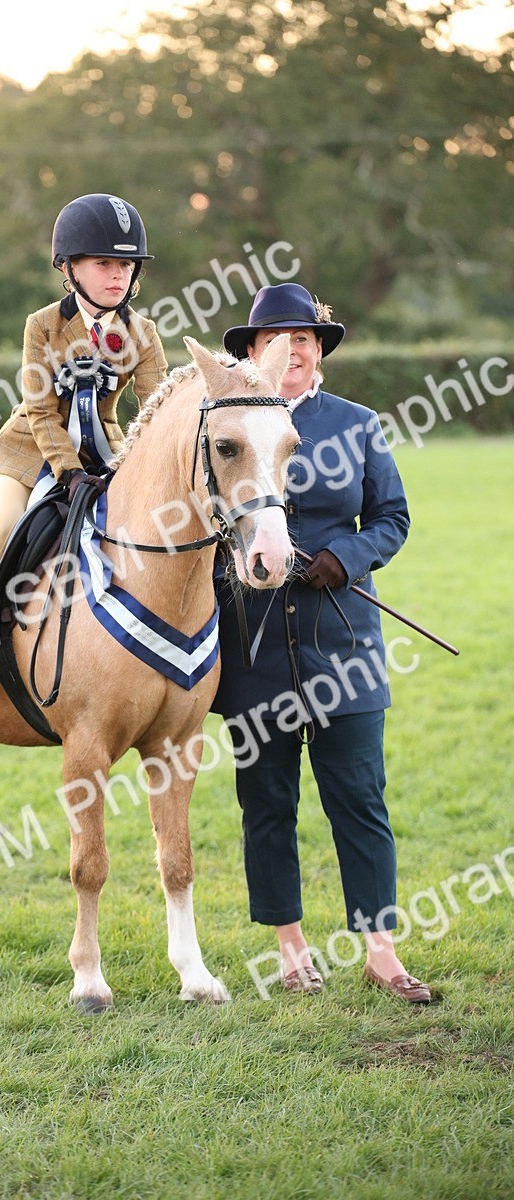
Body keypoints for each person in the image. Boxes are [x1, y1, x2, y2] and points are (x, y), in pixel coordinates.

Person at [214, 282, 431, 1003]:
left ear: (317, 351)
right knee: (267, 804)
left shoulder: (359, 425)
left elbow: (392, 518)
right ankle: (290, 948)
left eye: (302, 339)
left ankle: (381, 951)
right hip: (255, 653)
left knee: (360, 800)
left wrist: (348, 557)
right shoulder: (222, 429)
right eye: (274, 340)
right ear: (250, 354)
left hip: (345, 647)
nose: (291, 350)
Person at [0, 193, 167, 700]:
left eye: (126, 265)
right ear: (70, 267)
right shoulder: (42, 325)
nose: (117, 275)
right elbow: (40, 411)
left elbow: (157, 408)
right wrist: (65, 470)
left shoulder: (143, 334)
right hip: (29, 453)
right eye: (103, 263)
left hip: (103, 454)